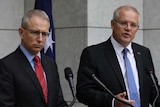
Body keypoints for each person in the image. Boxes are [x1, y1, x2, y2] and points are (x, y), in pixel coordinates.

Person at [76, 5, 160, 107]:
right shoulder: (93, 53)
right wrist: (112, 102)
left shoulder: (143, 53)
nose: (128, 28)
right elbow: (83, 92)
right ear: (113, 24)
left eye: (133, 25)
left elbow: (153, 91)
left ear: (137, 29)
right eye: (124, 23)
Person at [0, 9, 68, 107]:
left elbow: (58, 102)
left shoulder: (50, 64)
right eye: (35, 32)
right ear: (21, 33)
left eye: (44, 34)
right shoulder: (6, 66)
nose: (40, 39)